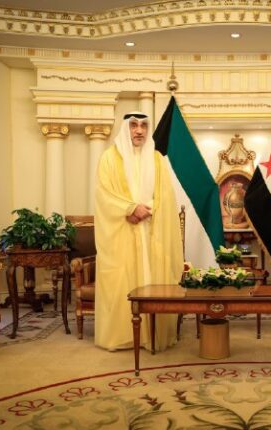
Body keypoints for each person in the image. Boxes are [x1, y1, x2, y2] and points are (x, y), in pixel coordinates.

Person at [94, 111, 183, 351]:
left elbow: (165, 195)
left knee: (153, 280)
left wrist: (146, 209)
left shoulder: (157, 159)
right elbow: (104, 195)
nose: (139, 131)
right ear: (126, 128)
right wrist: (130, 208)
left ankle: (152, 335)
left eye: (143, 126)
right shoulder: (109, 158)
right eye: (134, 125)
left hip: (151, 230)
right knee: (123, 283)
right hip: (122, 232)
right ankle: (121, 336)